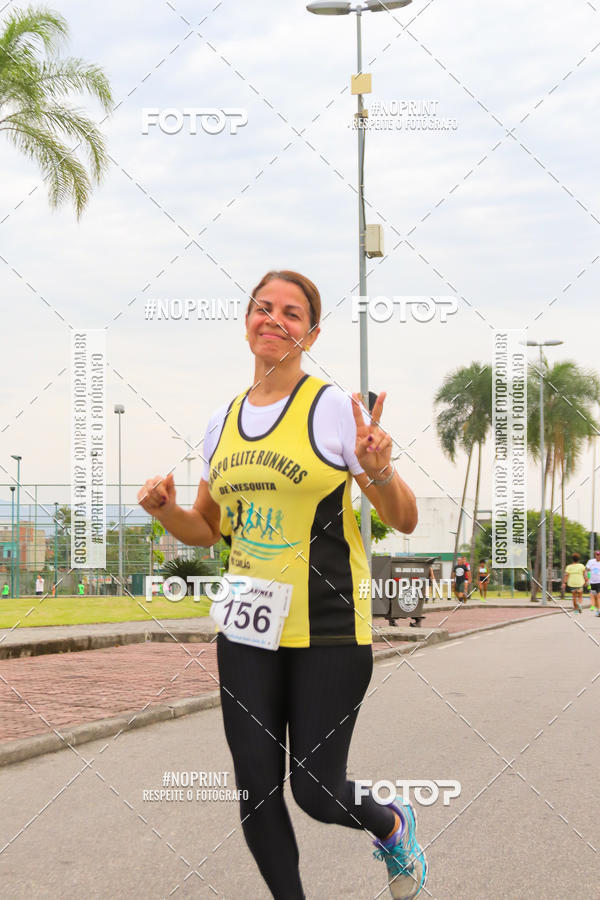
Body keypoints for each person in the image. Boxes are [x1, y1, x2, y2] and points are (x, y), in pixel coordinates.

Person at [138, 270, 426, 899]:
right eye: (263, 308)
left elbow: (402, 519)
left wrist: (378, 470)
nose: (274, 319)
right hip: (245, 631)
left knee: (317, 790)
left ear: (311, 333)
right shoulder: (222, 423)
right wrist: (164, 509)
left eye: (292, 314)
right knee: (257, 791)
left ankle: (392, 823)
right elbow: (207, 529)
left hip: (327, 628)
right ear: (246, 321)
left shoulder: (332, 409)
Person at [585, 549, 600, 617]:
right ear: (595, 555)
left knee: (598, 596)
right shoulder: (591, 562)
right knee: (595, 597)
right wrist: (587, 579)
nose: (598, 556)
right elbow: (588, 570)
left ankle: (599, 610)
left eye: (599, 555)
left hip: (599, 582)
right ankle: (598, 610)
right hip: (592, 582)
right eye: (597, 554)